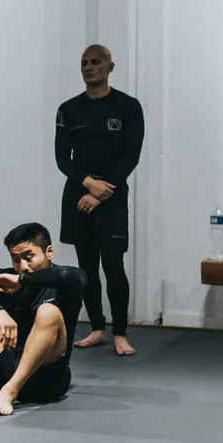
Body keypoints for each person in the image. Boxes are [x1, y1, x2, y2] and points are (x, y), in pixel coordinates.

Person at [56, 44, 145, 357]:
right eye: (84, 63)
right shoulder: (68, 109)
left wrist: (103, 191)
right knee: (86, 267)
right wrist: (87, 184)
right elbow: (62, 159)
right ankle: (96, 327)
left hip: (112, 197)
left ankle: (120, 332)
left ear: (110, 67)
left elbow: (130, 156)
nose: (88, 67)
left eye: (95, 62)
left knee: (113, 264)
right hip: (79, 195)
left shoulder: (128, 107)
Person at [0, 222, 84, 415]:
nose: (22, 267)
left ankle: (11, 391)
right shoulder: (3, 278)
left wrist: (22, 280)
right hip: (3, 373)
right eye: (15, 259)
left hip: (49, 381)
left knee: (48, 312)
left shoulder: (65, 279)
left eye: (29, 258)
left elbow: (71, 276)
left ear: (49, 252)